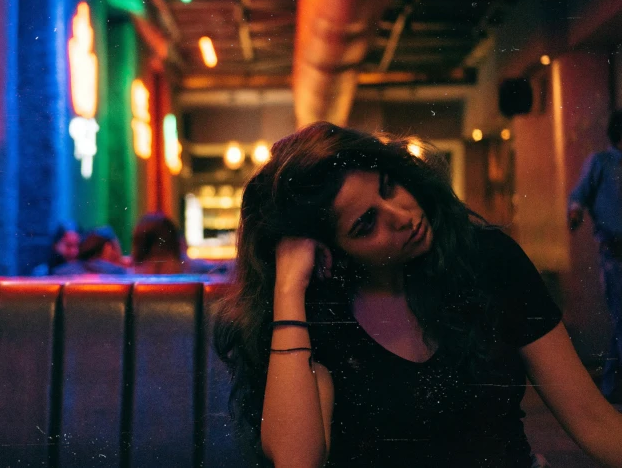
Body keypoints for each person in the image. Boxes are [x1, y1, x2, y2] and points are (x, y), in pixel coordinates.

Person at [214, 122, 622, 468]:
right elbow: (296, 461)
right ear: (329, 255)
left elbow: (592, 420)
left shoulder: (486, 259)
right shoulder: (319, 319)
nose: (403, 216)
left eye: (389, 188)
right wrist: (288, 287)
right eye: (366, 224)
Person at [568, 110, 622, 403]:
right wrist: (575, 211)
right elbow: (579, 193)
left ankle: (611, 389)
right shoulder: (601, 161)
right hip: (616, 255)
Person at [51, 229, 127, 275]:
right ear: (107, 249)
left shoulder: (57, 272)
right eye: (68, 245)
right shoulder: (117, 273)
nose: (74, 252)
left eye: (76, 245)